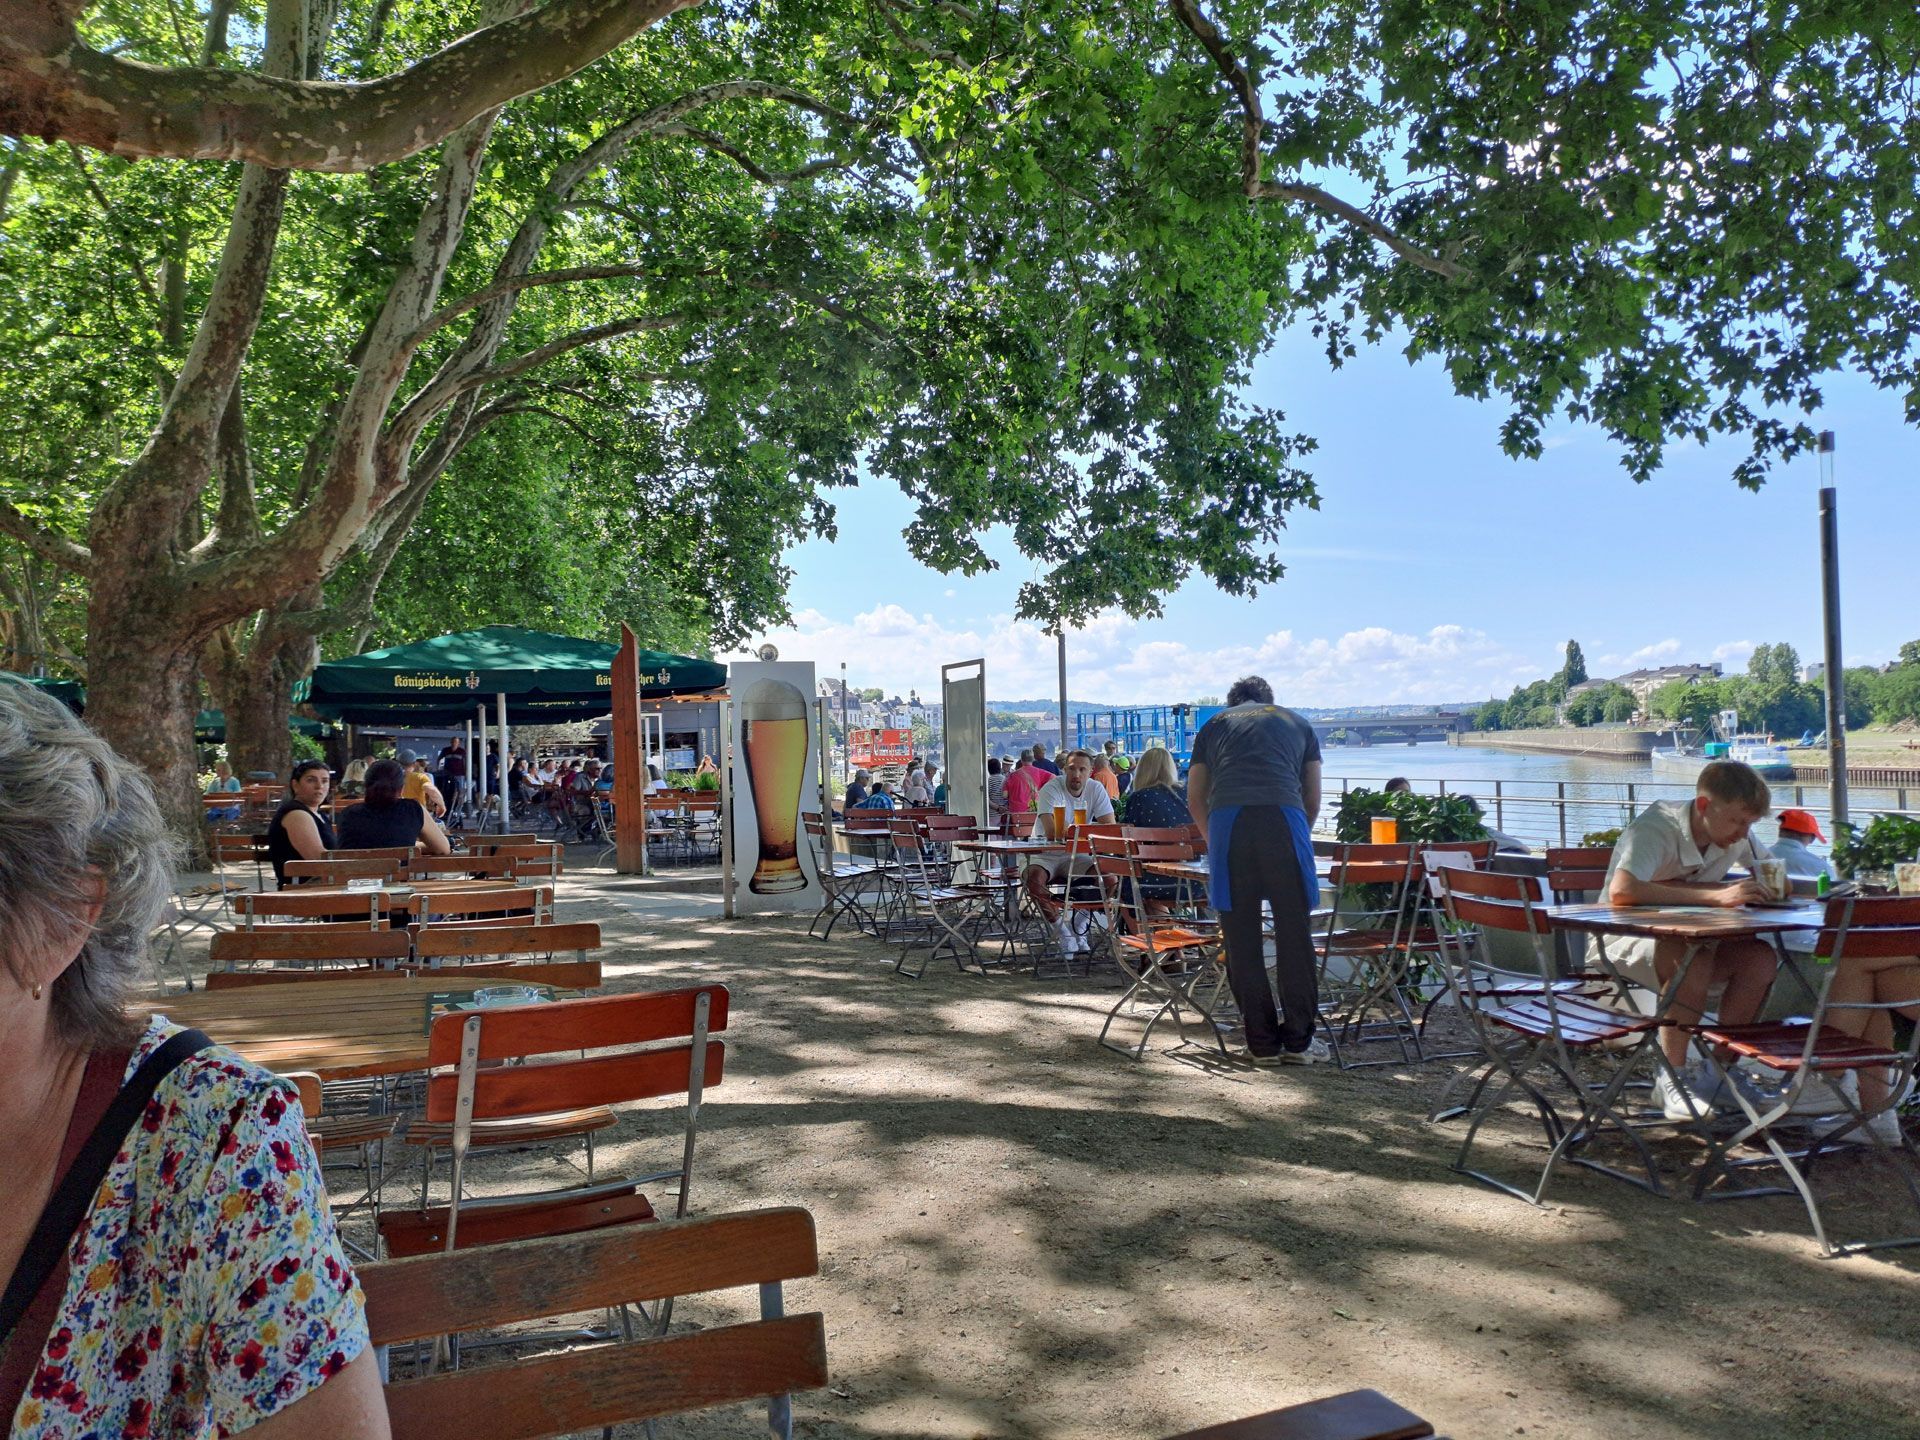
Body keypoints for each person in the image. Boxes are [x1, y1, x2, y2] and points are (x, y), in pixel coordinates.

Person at [0, 680, 388, 1437]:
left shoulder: (217, 1137)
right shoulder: (303, 821)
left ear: (58, 923)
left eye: (324, 780)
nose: (321, 787)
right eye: (315, 781)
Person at [1602, 759, 1782, 1119]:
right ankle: (1672, 1076)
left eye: (1749, 824)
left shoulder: (1733, 834)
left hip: (1694, 940)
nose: (1743, 832)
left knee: (1760, 958)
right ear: (1703, 806)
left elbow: (1773, 872)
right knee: (1691, 958)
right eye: (1736, 821)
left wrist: (1773, 883)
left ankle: (1720, 1073)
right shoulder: (1657, 827)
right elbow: (1622, 892)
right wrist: (1714, 895)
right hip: (1622, 941)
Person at [1186, 675, 1329, 1065]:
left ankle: (1261, 1044)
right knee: (1294, 934)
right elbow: (1312, 798)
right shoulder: (1297, 722)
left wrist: (1215, 842)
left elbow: (1196, 797)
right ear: (1270, 700)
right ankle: (1299, 1043)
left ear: (1232, 702)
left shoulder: (1214, 725)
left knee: (1241, 939)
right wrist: (1296, 835)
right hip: (1285, 819)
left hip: (1230, 824)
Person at [1021, 749, 1116, 955]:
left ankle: (1079, 923)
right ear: (1064, 769)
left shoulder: (1096, 788)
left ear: (1091, 771)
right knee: (1034, 879)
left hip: (1078, 854)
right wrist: (1085, 831)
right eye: (1072, 769)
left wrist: (1073, 830)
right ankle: (1063, 934)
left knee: (1111, 881)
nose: (1077, 774)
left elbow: (1110, 827)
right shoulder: (1051, 788)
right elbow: (1052, 829)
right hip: (1044, 854)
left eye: (1082, 769)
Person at [337, 758, 451, 854]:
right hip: (398, 880)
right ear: (401, 789)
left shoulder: (348, 815)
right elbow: (443, 849)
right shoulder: (412, 810)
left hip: (353, 879)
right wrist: (411, 847)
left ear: (365, 787)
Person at [265, 758, 336, 886]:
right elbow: (319, 860)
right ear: (295, 785)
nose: (319, 786)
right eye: (311, 780)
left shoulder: (320, 815)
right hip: (304, 891)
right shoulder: (296, 814)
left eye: (325, 781)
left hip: (325, 885)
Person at [1122, 747, 1192, 830]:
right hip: (1193, 842)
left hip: (1154, 842)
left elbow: (1129, 832)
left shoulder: (1139, 798)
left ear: (1141, 770)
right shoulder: (1189, 793)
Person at [1003, 753, 1042, 819]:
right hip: (1029, 811)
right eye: (1006, 764)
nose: (1007, 766)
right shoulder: (1033, 776)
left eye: (1009, 765)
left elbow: (1005, 795)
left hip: (1015, 811)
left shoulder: (1011, 776)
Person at [986, 757, 1007, 822]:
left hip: (992, 815)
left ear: (988, 769)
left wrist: (997, 808)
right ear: (999, 768)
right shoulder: (1006, 779)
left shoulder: (988, 781)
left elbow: (986, 798)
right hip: (1005, 813)